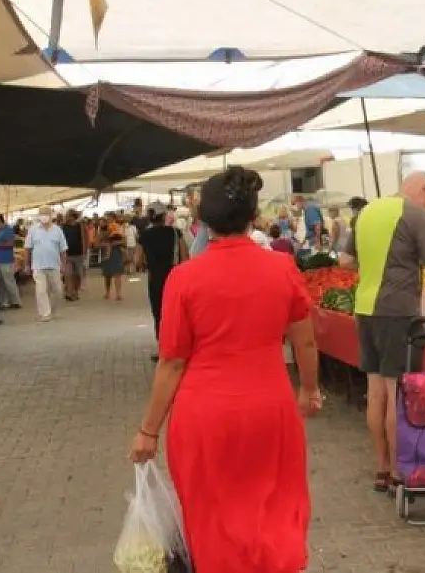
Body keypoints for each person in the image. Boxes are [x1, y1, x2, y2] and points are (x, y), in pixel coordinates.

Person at [129, 166, 321, 573]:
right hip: (271, 410)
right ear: (253, 217)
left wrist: (149, 430)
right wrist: (309, 389)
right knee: (276, 507)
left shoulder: (184, 278)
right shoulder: (282, 268)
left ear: (201, 220)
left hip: (205, 417)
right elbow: (305, 340)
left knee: (212, 516)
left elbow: (173, 361)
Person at [339, 171, 425, 493]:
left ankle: (382, 468)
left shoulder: (367, 212)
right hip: (397, 313)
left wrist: (375, 271)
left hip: (365, 310)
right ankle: (400, 471)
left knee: (376, 389)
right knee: (397, 390)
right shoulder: (415, 216)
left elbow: (344, 261)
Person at [136, 203, 189, 355]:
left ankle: (163, 349)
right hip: (175, 276)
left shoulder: (144, 235)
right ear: (164, 216)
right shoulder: (175, 232)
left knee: (159, 313)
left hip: (155, 278)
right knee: (177, 312)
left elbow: (137, 260)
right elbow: (185, 257)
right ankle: (180, 346)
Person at [25, 206, 68, 322]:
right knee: (41, 290)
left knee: (58, 291)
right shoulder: (33, 230)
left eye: (46, 214)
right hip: (38, 266)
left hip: (54, 266)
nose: (44, 217)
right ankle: (45, 313)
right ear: (39, 216)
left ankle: (52, 310)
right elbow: (28, 248)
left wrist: (64, 265)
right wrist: (27, 265)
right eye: (42, 214)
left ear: (50, 216)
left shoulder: (58, 230)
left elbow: (63, 249)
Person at [0, 214, 21, 310]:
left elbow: (11, 243)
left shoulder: (8, 230)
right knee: (0, 283)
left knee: (9, 282)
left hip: (6, 261)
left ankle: (16, 301)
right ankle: (3, 302)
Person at [60, 210, 87, 300]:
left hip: (78, 253)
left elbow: (83, 239)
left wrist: (84, 252)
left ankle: (75, 291)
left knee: (77, 275)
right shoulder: (63, 226)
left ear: (73, 216)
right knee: (68, 274)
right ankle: (69, 293)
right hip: (67, 254)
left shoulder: (80, 226)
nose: (66, 217)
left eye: (68, 215)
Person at [101, 213, 126, 301]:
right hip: (106, 251)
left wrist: (115, 243)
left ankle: (118, 294)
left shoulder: (119, 227)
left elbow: (123, 240)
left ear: (113, 218)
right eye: (107, 218)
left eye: (109, 218)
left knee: (117, 274)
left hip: (116, 252)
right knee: (107, 275)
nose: (108, 219)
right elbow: (99, 241)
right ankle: (107, 292)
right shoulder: (103, 229)